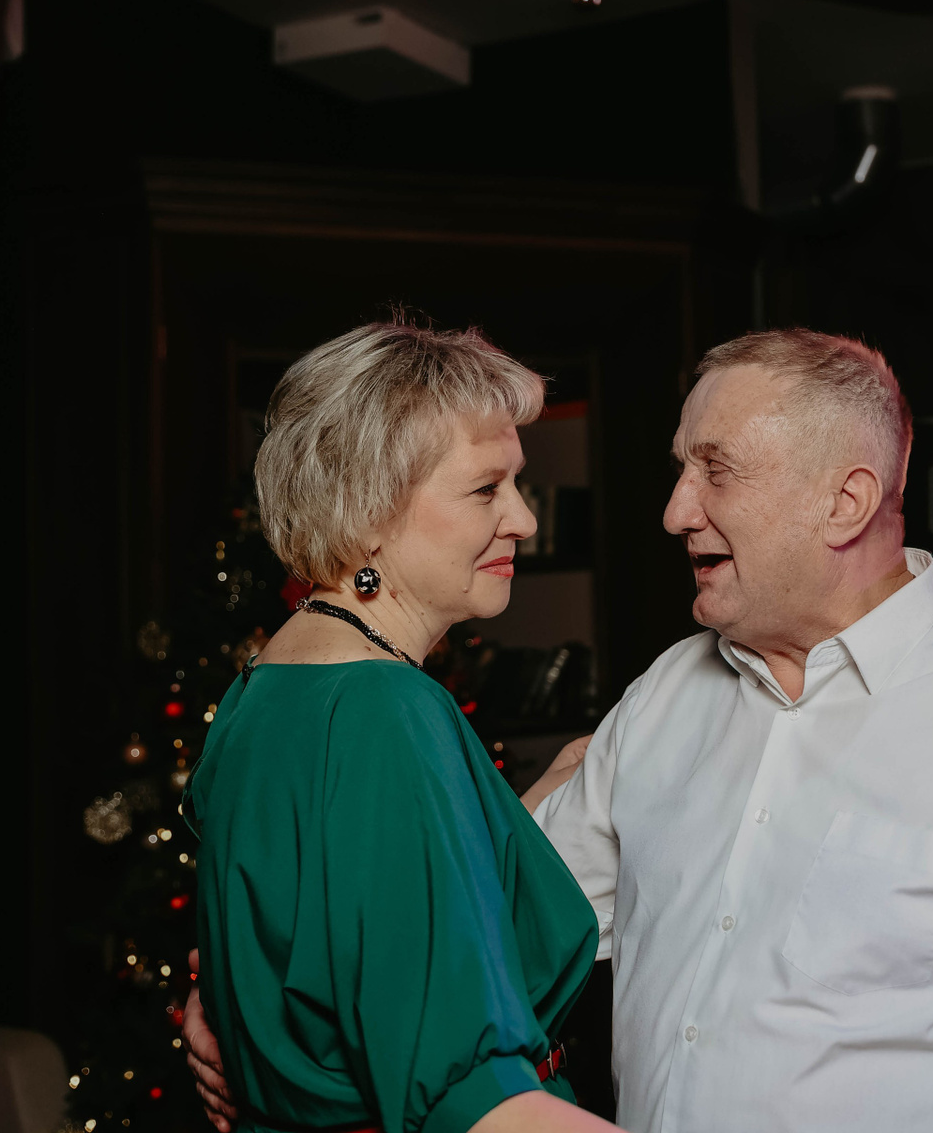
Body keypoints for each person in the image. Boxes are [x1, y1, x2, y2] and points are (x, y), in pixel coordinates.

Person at [192, 328, 933, 1132]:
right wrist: (247, 1001)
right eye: (680, 467)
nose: (676, 510)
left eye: (715, 470)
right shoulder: (664, 700)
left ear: (846, 500)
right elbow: (463, 933)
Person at [180, 320, 624, 1133]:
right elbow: (471, 1100)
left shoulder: (265, 686)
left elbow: (335, 917)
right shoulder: (386, 710)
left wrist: (515, 815)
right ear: (368, 511)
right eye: (486, 489)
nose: (523, 519)